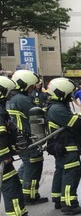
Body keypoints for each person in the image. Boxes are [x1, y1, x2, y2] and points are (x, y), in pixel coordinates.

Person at [46, 78, 81, 215]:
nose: (71, 96)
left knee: (61, 172)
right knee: (71, 174)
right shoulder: (57, 108)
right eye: (69, 93)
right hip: (67, 146)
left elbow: (70, 120)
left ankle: (59, 199)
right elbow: (76, 124)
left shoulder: (56, 106)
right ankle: (69, 204)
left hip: (62, 146)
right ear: (62, 93)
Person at [0, 76, 40, 216]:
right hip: (2, 159)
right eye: (8, 93)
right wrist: (5, 156)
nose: (11, 96)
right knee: (12, 188)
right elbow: (1, 135)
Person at [7, 69, 48, 205]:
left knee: (26, 165)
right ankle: (30, 195)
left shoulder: (11, 98)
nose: (32, 88)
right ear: (24, 84)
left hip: (19, 140)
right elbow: (38, 115)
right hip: (28, 139)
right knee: (34, 166)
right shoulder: (23, 100)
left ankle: (21, 190)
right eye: (31, 86)